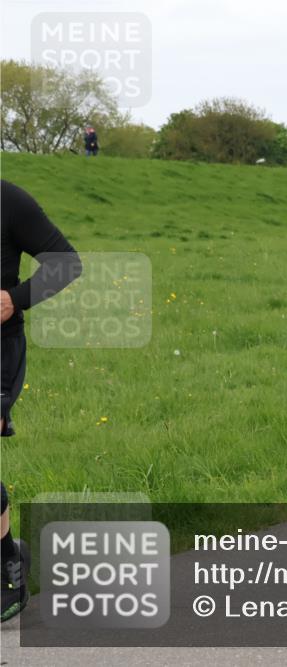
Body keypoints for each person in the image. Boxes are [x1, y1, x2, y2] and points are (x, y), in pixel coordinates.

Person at [1, 180, 83, 622]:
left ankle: (5, 567)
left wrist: (16, 299)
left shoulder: (8, 201)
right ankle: (9, 552)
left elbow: (66, 263)